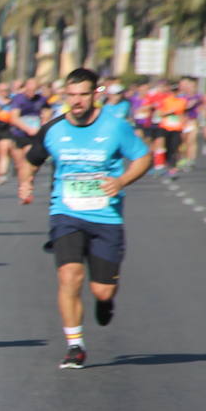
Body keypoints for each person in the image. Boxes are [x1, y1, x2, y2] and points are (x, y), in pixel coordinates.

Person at [17, 67, 150, 370]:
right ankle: (75, 345)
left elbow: (143, 157)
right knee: (69, 276)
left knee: (101, 290)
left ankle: (105, 302)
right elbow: (31, 161)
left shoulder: (115, 127)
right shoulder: (54, 129)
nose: (76, 101)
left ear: (95, 95)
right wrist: (25, 183)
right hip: (67, 213)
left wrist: (122, 181)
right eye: (71, 95)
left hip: (106, 216)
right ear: (64, 95)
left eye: (83, 95)